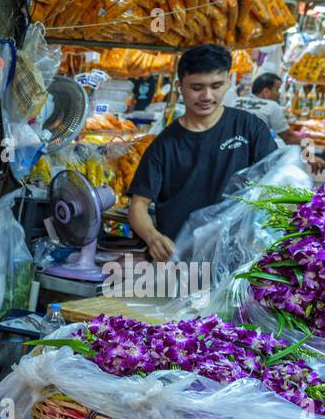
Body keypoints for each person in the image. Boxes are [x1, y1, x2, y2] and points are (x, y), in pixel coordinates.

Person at [128, 44, 276, 262]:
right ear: (180, 86)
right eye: (197, 87)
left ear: (228, 82)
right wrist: (152, 237)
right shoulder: (164, 145)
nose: (207, 96)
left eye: (216, 86)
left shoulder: (249, 128)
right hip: (180, 260)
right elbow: (138, 206)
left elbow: (276, 182)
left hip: (237, 258)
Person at [229, 73, 303, 146]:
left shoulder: (236, 101)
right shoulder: (272, 106)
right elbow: (288, 137)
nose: (279, 94)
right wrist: (308, 150)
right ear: (266, 92)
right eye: (277, 89)